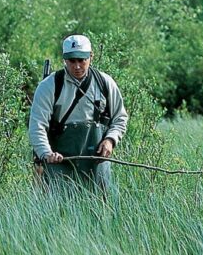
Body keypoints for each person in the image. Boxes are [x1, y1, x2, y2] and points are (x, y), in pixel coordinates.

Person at [28, 34, 129, 192]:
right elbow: (37, 126)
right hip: (59, 164)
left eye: (82, 60)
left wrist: (110, 140)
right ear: (64, 59)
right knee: (58, 212)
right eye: (72, 60)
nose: (77, 66)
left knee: (101, 209)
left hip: (97, 163)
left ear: (91, 57)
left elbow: (120, 118)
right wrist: (46, 153)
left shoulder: (105, 83)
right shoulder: (49, 86)